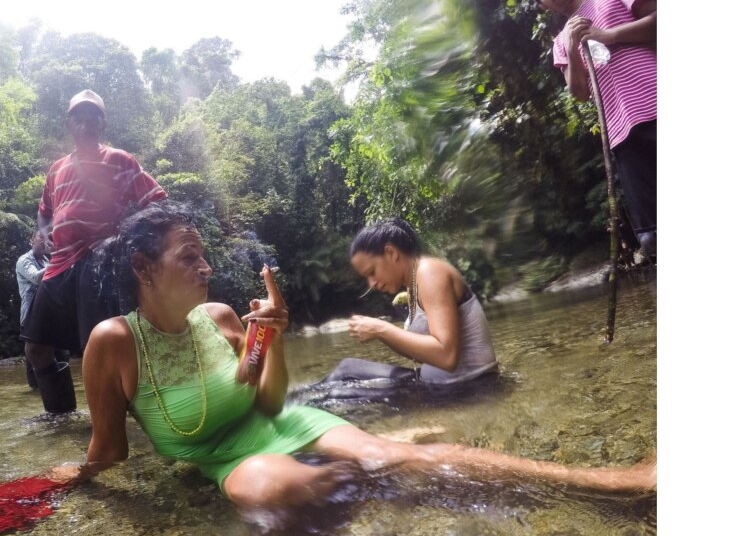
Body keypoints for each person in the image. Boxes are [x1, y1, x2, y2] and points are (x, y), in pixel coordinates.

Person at [44, 203, 654, 509]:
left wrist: (274, 337)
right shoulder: (113, 342)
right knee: (267, 490)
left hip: (283, 421)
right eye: (188, 256)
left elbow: (270, 399)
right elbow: (111, 448)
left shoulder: (223, 318)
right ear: (144, 269)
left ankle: (617, 483)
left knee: (388, 458)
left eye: (204, 254)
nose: (205, 267)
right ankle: (391, 457)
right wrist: (66, 480)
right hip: (225, 458)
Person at [20, 89, 167, 413]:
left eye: (92, 117)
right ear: (69, 123)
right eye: (78, 117)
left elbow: (157, 201)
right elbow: (44, 210)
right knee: (36, 348)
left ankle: (118, 422)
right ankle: (61, 419)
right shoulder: (57, 168)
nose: (85, 123)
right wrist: (46, 235)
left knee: (96, 347)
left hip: (97, 261)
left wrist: (126, 240)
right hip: (59, 265)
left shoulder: (119, 160)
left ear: (102, 123)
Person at [523, 0, 657, 258]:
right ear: (543, 6)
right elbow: (580, 94)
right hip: (622, 135)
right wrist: (571, 47)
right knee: (653, 236)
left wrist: (608, 36)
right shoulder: (560, 44)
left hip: (657, 104)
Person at [322, 218, 497, 386]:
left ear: (391, 253)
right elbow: (423, 356)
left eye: (372, 271)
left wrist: (380, 329)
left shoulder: (430, 273)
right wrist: (378, 334)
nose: (372, 283)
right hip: (440, 386)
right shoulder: (414, 285)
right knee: (348, 371)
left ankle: (298, 404)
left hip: (468, 389)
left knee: (345, 376)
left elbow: (446, 356)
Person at [16, 229, 49, 389]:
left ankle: (51, 394)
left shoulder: (47, 261)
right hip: (31, 316)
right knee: (33, 357)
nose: (44, 241)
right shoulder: (24, 260)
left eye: (47, 239)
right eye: (40, 238)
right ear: (32, 240)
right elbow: (37, 278)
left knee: (56, 356)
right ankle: (34, 394)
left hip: (48, 316)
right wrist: (59, 259)